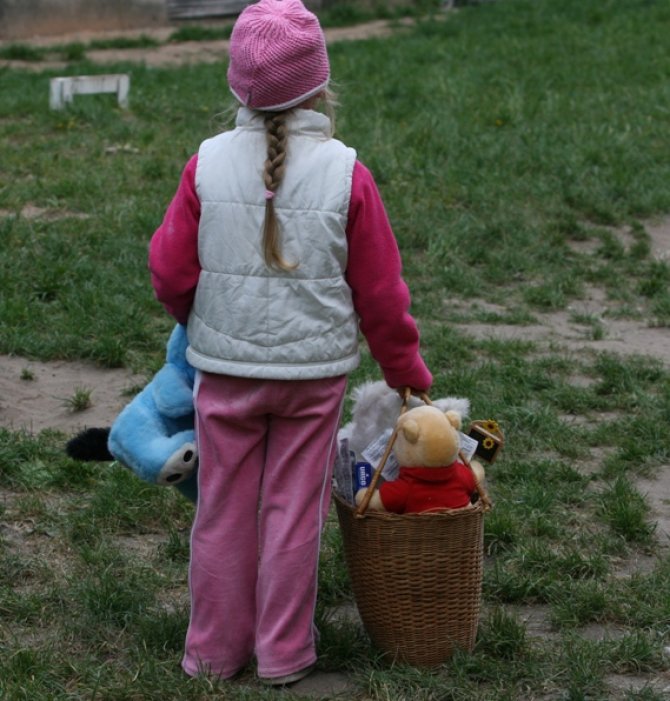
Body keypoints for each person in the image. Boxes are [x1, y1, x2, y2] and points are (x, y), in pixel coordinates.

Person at [148, 0, 432, 685]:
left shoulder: (205, 165)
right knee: (290, 515)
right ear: (319, 87)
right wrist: (405, 371)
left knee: (220, 512)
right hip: (311, 377)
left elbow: (168, 270)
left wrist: (199, 318)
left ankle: (213, 652)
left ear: (235, 85)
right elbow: (382, 293)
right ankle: (283, 653)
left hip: (225, 370)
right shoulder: (347, 172)